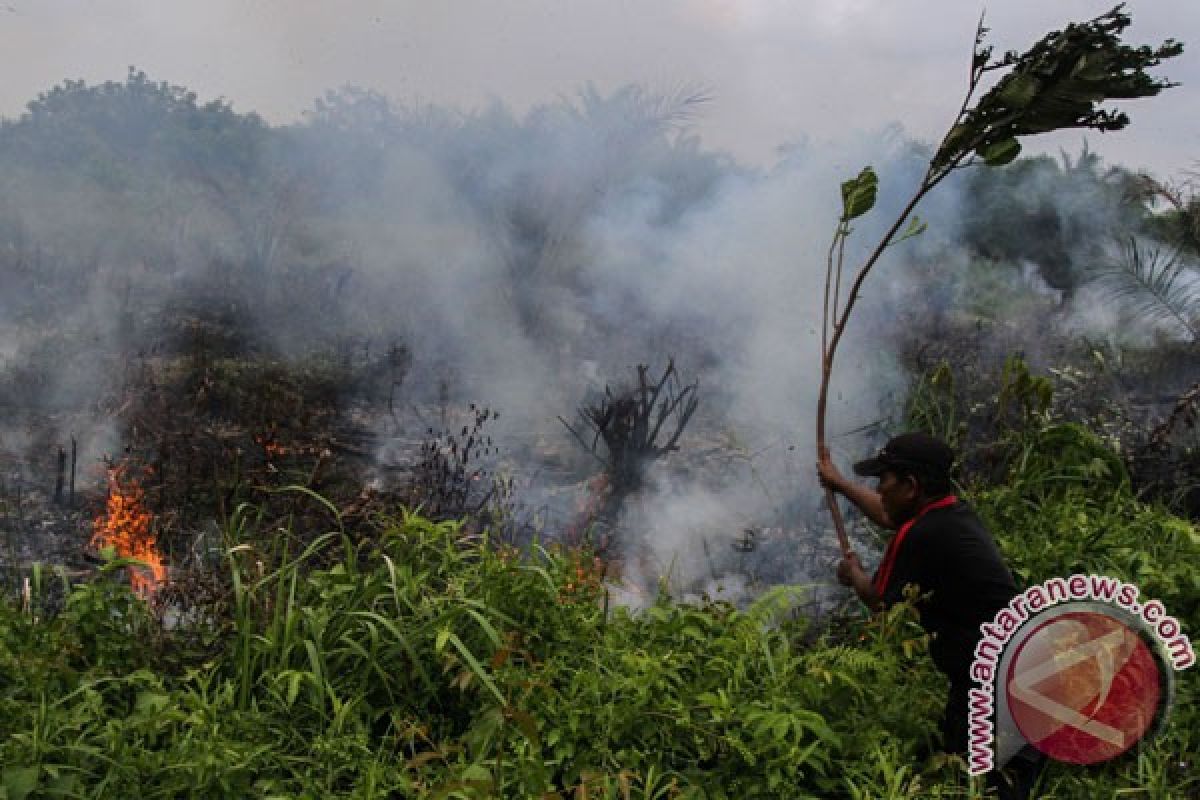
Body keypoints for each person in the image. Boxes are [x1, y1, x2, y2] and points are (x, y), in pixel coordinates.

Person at [817, 431, 1043, 799]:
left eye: (883, 481)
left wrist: (853, 573)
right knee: (954, 763)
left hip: (1001, 681)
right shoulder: (950, 515)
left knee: (998, 783)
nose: (879, 490)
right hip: (1009, 668)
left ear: (910, 485)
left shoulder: (922, 534)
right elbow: (889, 516)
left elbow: (877, 601)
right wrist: (840, 484)